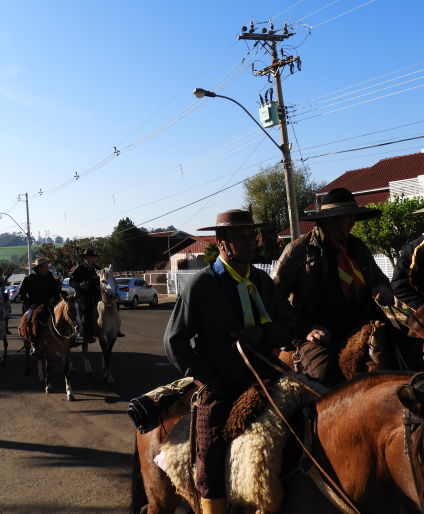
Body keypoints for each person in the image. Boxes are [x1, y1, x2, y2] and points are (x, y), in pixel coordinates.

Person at [164, 209, 294, 514]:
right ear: (221, 244)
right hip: (222, 386)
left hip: (268, 380)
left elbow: (289, 324)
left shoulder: (262, 281)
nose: (250, 243)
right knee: (209, 455)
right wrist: (210, 378)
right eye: (240, 237)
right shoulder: (201, 285)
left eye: (252, 236)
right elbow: (174, 341)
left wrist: (261, 333)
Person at [272, 187, 394, 387]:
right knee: (323, 375)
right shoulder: (298, 251)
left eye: (354, 216)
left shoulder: (358, 247)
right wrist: (304, 328)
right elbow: (273, 297)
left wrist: (383, 288)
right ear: (330, 219)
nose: (353, 222)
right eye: (348, 217)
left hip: (361, 323)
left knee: (406, 347)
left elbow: (380, 278)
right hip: (320, 332)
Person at [19, 257, 62, 355]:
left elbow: (56, 291)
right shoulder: (29, 279)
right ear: (39, 268)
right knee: (29, 320)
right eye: (46, 267)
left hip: (49, 304)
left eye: (48, 267)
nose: (47, 269)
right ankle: (34, 344)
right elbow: (21, 294)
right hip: (35, 306)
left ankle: (69, 341)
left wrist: (54, 298)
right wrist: (29, 304)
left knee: (63, 316)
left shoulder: (50, 276)